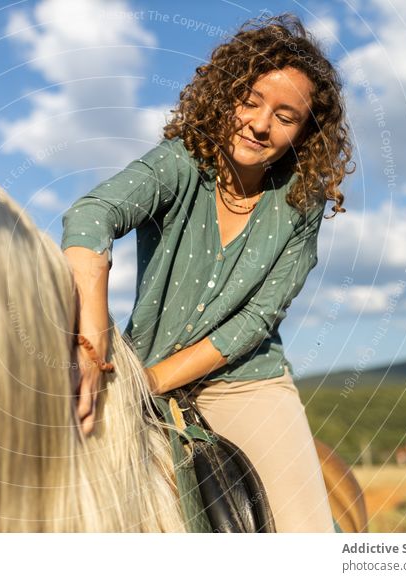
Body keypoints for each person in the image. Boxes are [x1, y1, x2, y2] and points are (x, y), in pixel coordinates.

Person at [61, 14, 352, 532]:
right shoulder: (177, 165)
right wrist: (93, 338)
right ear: (225, 96)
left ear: (306, 132)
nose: (261, 125)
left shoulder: (301, 204)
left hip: (244, 384)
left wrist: (149, 383)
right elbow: (91, 216)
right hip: (132, 369)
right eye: (251, 100)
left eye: (286, 116)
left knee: (308, 537)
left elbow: (255, 321)